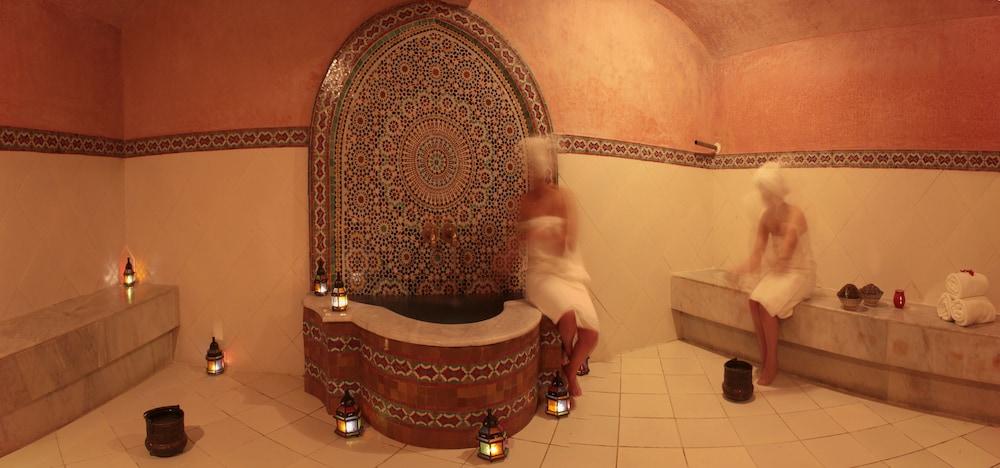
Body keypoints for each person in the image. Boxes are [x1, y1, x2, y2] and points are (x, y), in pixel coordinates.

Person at [518, 136, 599, 399]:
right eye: (533, 170)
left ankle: (569, 366)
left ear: (547, 170)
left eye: (540, 170)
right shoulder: (526, 203)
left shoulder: (563, 197)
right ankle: (570, 368)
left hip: (566, 271)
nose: (537, 176)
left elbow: (568, 242)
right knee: (568, 318)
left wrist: (543, 233)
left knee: (591, 333)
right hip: (540, 276)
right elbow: (517, 243)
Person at [729, 161, 816, 385]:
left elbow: (787, 249)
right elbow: (756, 257)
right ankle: (765, 356)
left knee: (766, 305)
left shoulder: (795, 214)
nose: (764, 197)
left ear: (776, 190)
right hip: (781, 272)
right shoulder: (766, 218)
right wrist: (738, 271)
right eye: (762, 192)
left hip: (801, 273)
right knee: (753, 301)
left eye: (767, 191)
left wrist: (778, 259)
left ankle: (773, 363)